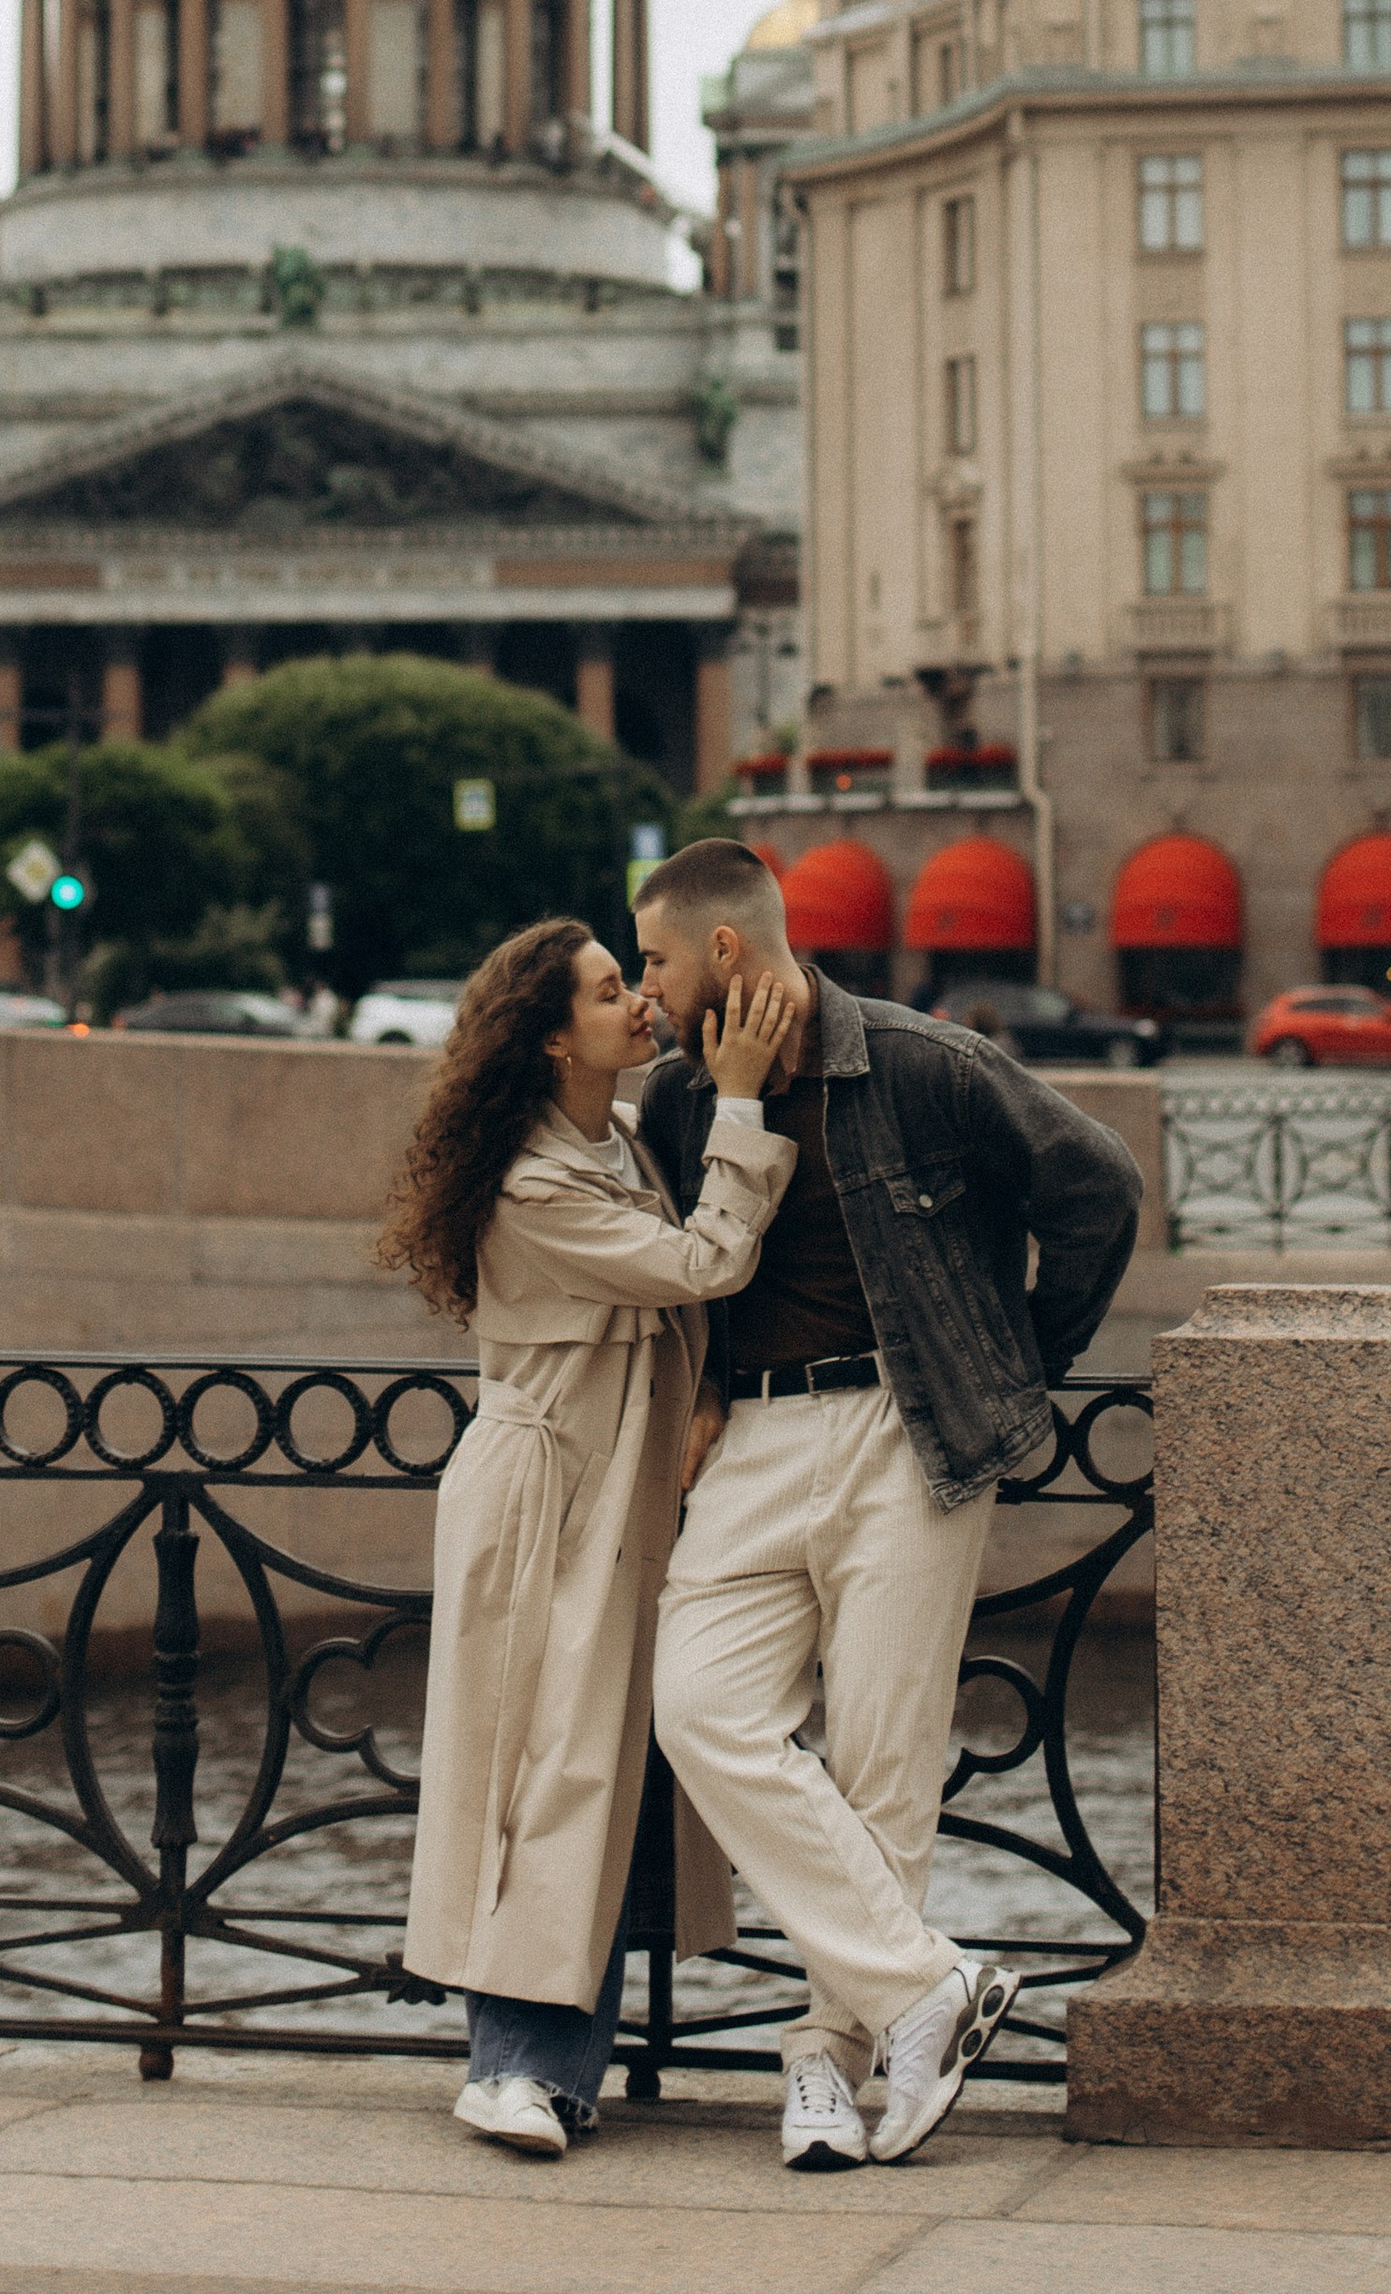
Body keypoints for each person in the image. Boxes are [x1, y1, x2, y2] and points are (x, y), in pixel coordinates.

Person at [629, 836, 1142, 2173]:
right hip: (752, 1441)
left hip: (906, 1435)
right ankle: (927, 1988)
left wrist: (1015, 1365)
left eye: (657, 960)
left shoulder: (925, 1066)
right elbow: (690, 1264)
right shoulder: (682, 1100)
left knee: (880, 1767)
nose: (647, 988)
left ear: (725, 950)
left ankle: (826, 2063)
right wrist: (704, 1389)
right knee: (698, 1706)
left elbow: (1099, 1187)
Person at [386, 915, 805, 2159]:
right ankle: (506, 2069)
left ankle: (555, 2074)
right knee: (537, 1768)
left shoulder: (613, 1138)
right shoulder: (533, 1183)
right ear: (549, 1037)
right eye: (610, 991)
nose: (640, 1005)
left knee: (594, 1765)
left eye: (634, 982)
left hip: (615, 1485)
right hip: (547, 1496)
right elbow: (707, 1262)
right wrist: (740, 1102)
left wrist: (708, 1393)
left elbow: (676, 1312)